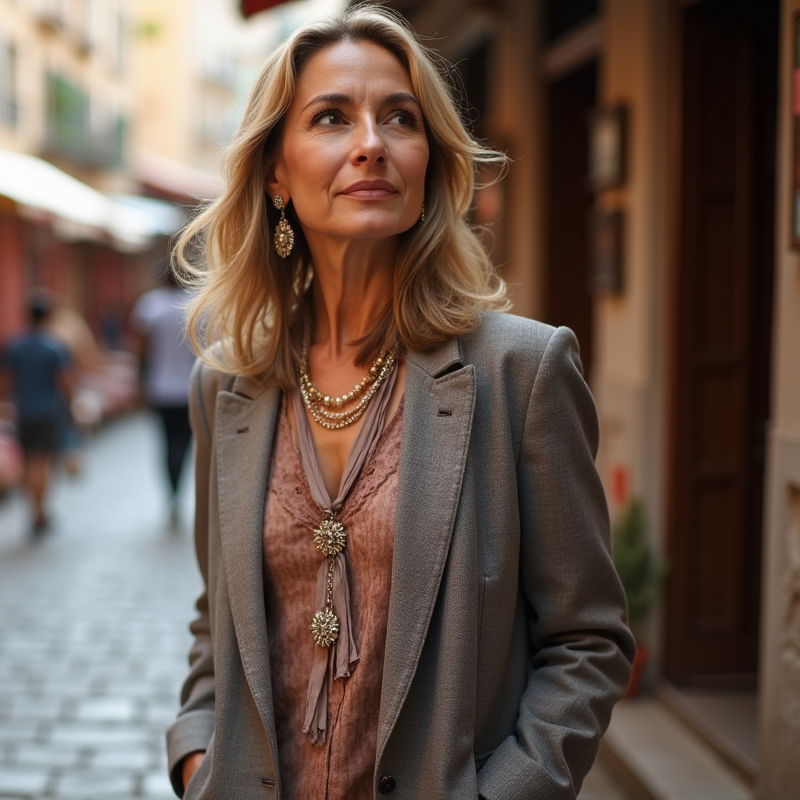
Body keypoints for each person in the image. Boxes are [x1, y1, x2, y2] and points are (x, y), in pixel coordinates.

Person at [166, 8, 634, 800]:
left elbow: (587, 640)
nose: (371, 143)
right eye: (330, 118)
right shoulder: (228, 389)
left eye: (400, 118)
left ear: (429, 163)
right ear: (276, 171)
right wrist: (194, 756)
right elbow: (221, 622)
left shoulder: (520, 371)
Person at [0, 291, 73, 535]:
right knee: (42, 463)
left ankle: (32, 510)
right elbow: (65, 382)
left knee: (27, 462)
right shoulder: (55, 347)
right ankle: (39, 513)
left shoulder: (15, 346)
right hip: (48, 411)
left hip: (23, 411)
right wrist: (71, 409)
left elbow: (5, 381)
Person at [130, 264, 197, 527]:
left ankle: (172, 494)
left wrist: (140, 383)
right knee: (184, 442)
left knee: (166, 442)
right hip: (191, 388)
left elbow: (140, 350)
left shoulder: (150, 307)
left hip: (160, 388)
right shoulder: (196, 305)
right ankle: (177, 490)